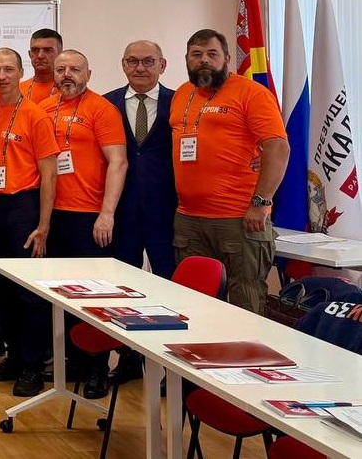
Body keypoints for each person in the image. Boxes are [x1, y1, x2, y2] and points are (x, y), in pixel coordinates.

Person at [170, 29, 288, 314]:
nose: (204, 60)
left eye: (212, 54)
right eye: (196, 54)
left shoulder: (251, 93)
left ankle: (246, 347)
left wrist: (260, 203)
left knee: (245, 303)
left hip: (239, 218)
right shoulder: (182, 94)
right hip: (189, 219)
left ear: (226, 58)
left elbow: (278, 147)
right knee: (193, 305)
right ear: (186, 59)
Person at [42, 49, 128, 400]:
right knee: (59, 296)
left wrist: (107, 213)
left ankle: (97, 369)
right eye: (61, 69)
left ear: (88, 74)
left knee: (91, 298)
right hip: (52, 216)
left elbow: (118, 163)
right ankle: (73, 362)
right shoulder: (43, 108)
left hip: (88, 218)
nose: (67, 75)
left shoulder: (101, 109)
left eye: (75, 69)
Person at [0, 48, 59, 398]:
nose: (1, 76)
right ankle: (13, 357)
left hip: (22, 207)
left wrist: (44, 224)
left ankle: (33, 366)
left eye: (8, 69)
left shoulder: (35, 115)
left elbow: (49, 173)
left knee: (27, 291)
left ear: (20, 72)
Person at [106, 41, 177, 278]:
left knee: (170, 279)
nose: (140, 68)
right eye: (132, 61)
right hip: (122, 210)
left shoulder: (178, 103)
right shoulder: (107, 104)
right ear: (123, 65)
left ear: (162, 65)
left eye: (148, 61)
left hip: (166, 209)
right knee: (122, 280)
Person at [21, 29, 63, 104]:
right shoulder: (17, 91)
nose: (40, 56)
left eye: (47, 50)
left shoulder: (68, 90)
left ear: (60, 55)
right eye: (35, 50)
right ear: (29, 54)